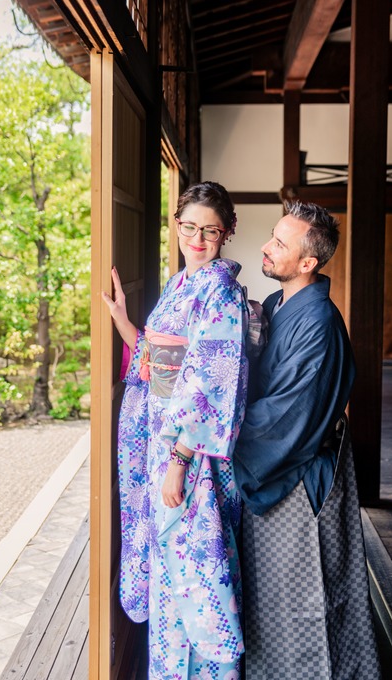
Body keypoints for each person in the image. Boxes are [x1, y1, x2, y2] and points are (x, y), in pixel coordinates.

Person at [101, 181, 249, 680]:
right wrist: (123, 320)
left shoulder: (221, 292)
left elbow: (212, 379)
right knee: (171, 571)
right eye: (190, 228)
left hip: (190, 453)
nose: (199, 239)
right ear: (177, 227)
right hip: (164, 443)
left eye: (211, 230)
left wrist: (180, 463)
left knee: (197, 574)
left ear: (228, 232)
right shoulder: (181, 284)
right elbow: (154, 359)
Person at [233, 200, 381, 680]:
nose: (266, 247)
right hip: (280, 464)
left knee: (305, 592)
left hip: (297, 475)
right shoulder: (279, 304)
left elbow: (289, 415)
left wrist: (221, 441)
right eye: (272, 236)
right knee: (273, 596)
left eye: (279, 242)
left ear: (307, 263)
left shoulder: (318, 324)